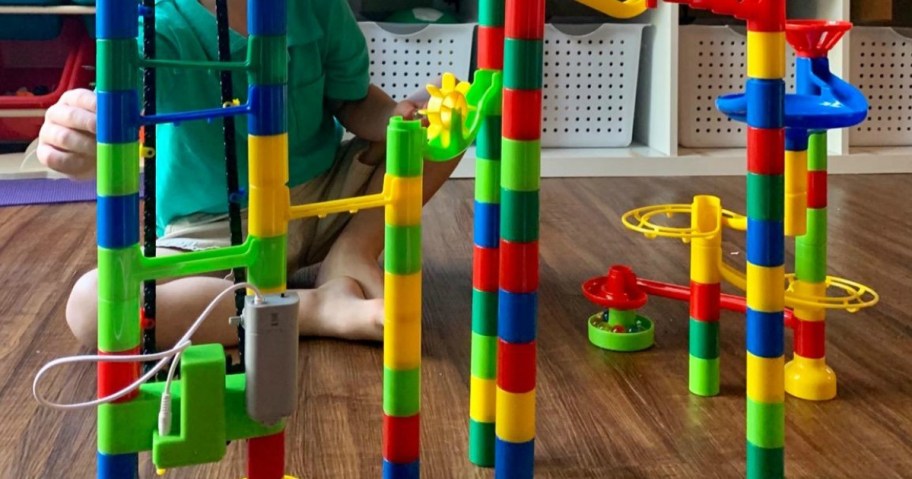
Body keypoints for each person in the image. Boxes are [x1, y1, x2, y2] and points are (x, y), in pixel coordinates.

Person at [38, 0, 459, 348]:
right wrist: (76, 130)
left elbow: (351, 102)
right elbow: (113, 114)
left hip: (328, 198)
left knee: (451, 105)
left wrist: (395, 118)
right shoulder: (156, 23)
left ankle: (353, 251)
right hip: (217, 232)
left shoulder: (320, 7)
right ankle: (311, 308)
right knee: (94, 307)